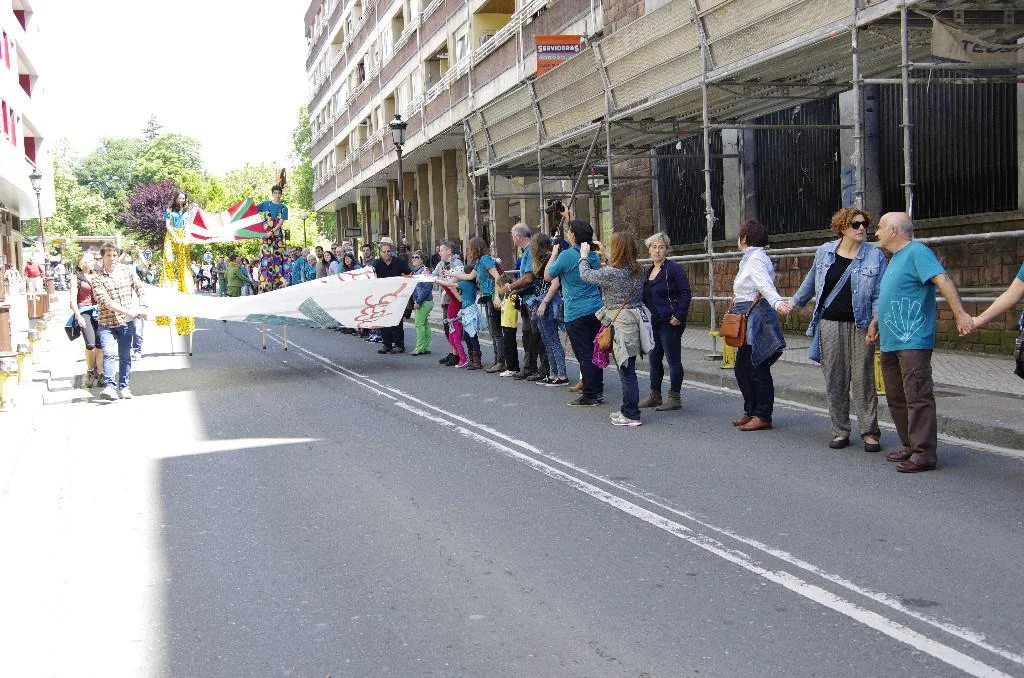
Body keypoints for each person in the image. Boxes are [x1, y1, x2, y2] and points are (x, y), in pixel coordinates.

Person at [867, 212, 973, 472]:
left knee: (917, 395)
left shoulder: (917, 252)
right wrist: (876, 321)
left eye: (880, 227)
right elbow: (894, 295)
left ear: (893, 230)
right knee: (896, 396)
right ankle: (910, 445)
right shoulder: (894, 259)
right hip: (891, 339)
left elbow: (942, 280)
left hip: (912, 339)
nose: (876, 233)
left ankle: (924, 453)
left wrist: (960, 313)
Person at [792, 208, 886, 452]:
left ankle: (870, 432)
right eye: (856, 224)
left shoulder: (875, 256)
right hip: (830, 323)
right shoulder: (825, 252)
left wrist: (876, 321)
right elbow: (811, 282)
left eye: (864, 224)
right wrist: (793, 303)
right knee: (835, 378)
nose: (862, 228)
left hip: (861, 324)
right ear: (842, 228)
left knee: (863, 378)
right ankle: (840, 430)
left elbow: (880, 293)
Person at [579, 232, 649, 425]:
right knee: (628, 368)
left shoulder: (612, 273)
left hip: (620, 324)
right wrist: (605, 254)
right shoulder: (639, 270)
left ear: (617, 249)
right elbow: (621, 267)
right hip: (634, 322)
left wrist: (583, 257)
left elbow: (586, 275)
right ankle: (627, 409)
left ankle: (631, 414)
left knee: (626, 371)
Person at [730, 219, 792, 431]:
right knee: (743, 368)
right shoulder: (749, 258)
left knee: (757, 366)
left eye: (740, 235)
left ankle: (763, 415)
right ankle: (751, 410)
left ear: (745, 238)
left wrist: (778, 302)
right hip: (747, 315)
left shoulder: (756, 259)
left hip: (756, 316)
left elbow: (765, 285)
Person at [544, 220, 604, 406]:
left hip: (576, 311)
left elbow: (547, 275)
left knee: (584, 354)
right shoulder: (593, 255)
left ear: (573, 235)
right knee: (595, 351)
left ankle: (590, 395)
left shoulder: (567, 255)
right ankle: (598, 390)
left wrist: (554, 254)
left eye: (569, 231)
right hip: (596, 308)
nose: (568, 234)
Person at [639, 232, 692, 412]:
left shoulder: (673, 269)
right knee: (654, 360)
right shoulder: (647, 271)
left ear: (667, 250)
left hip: (670, 322)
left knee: (672, 360)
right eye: (654, 247)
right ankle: (655, 395)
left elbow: (686, 292)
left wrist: (679, 315)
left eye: (661, 247)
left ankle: (674, 398)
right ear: (649, 250)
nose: (657, 251)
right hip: (653, 323)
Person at [91, 243, 148, 401]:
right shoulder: (97, 278)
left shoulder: (126, 271)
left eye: (114, 255)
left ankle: (124, 387)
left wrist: (143, 305)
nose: (112, 258)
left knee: (125, 356)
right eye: (108, 255)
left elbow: (140, 288)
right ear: (102, 258)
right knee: (109, 354)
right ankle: (109, 387)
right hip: (106, 323)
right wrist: (129, 311)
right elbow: (105, 301)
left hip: (125, 324)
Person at [448, 236, 504, 373]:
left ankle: (501, 362)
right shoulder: (479, 262)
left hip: (492, 297)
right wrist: (451, 274)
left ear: (475, 248)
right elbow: (469, 276)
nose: (469, 251)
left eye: (470, 248)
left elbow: (497, 277)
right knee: (493, 331)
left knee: (496, 332)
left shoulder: (485, 259)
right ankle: (497, 360)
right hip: (487, 298)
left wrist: (497, 296)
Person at [500, 223, 548, 380]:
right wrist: (517, 289)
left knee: (536, 335)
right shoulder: (527, 251)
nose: (513, 239)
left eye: (513, 236)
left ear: (518, 236)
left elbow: (528, 278)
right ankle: (530, 367)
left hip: (533, 298)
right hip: (526, 297)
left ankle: (543, 370)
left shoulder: (529, 251)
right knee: (528, 335)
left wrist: (511, 286)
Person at [532, 233, 569, 386]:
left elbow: (555, 284)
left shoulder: (549, 258)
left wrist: (544, 303)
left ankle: (561, 375)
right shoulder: (545, 259)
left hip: (548, 301)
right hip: (541, 301)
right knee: (547, 340)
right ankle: (553, 373)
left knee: (553, 339)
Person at [371, 239, 411, 354]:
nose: (386, 254)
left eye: (388, 251)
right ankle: (386, 345)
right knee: (384, 321)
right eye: (384, 252)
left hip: (397, 296)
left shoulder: (399, 262)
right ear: (380, 253)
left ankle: (399, 345)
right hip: (383, 298)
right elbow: (370, 273)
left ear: (391, 251)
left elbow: (409, 274)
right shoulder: (377, 263)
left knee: (397, 322)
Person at [70, 252, 102, 388]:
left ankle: (100, 373)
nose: (93, 262)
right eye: (91, 260)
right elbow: (72, 300)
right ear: (83, 262)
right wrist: (78, 316)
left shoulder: (96, 275)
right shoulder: (76, 277)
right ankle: (90, 371)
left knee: (100, 344)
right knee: (91, 344)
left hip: (98, 312)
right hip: (84, 312)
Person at [433, 241, 464, 365]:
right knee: (448, 328)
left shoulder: (457, 263)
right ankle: (452, 353)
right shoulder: (441, 263)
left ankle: (457, 355)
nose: (439, 253)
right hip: (445, 299)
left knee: (454, 329)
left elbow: (454, 280)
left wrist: (442, 280)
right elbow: (434, 275)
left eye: (441, 250)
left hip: (454, 299)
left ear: (449, 251)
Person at [256, 176, 289, 292]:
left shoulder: (283, 207)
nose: (277, 195)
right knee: (265, 257)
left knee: (278, 258)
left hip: (277, 234)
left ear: (281, 194)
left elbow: (281, 222)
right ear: (272, 194)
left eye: (279, 193)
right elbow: (253, 210)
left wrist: (272, 231)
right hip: (265, 234)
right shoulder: (266, 204)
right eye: (275, 193)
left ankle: (279, 284)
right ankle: (264, 285)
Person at [494, 273, 521, 376]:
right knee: (509, 346)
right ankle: (513, 367)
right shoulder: (505, 296)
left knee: (509, 347)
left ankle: (512, 368)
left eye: (500, 286)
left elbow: (517, 305)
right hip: (505, 324)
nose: (499, 289)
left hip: (510, 325)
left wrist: (511, 290)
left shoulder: (512, 295)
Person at [409, 250, 434, 355]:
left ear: (422, 260)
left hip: (424, 301)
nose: (414, 259)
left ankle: (419, 348)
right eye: (413, 257)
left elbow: (426, 288)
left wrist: (418, 301)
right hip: (426, 301)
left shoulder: (423, 271)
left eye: (417, 257)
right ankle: (426, 347)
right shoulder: (417, 271)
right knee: (424, 324)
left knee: (419, 324)